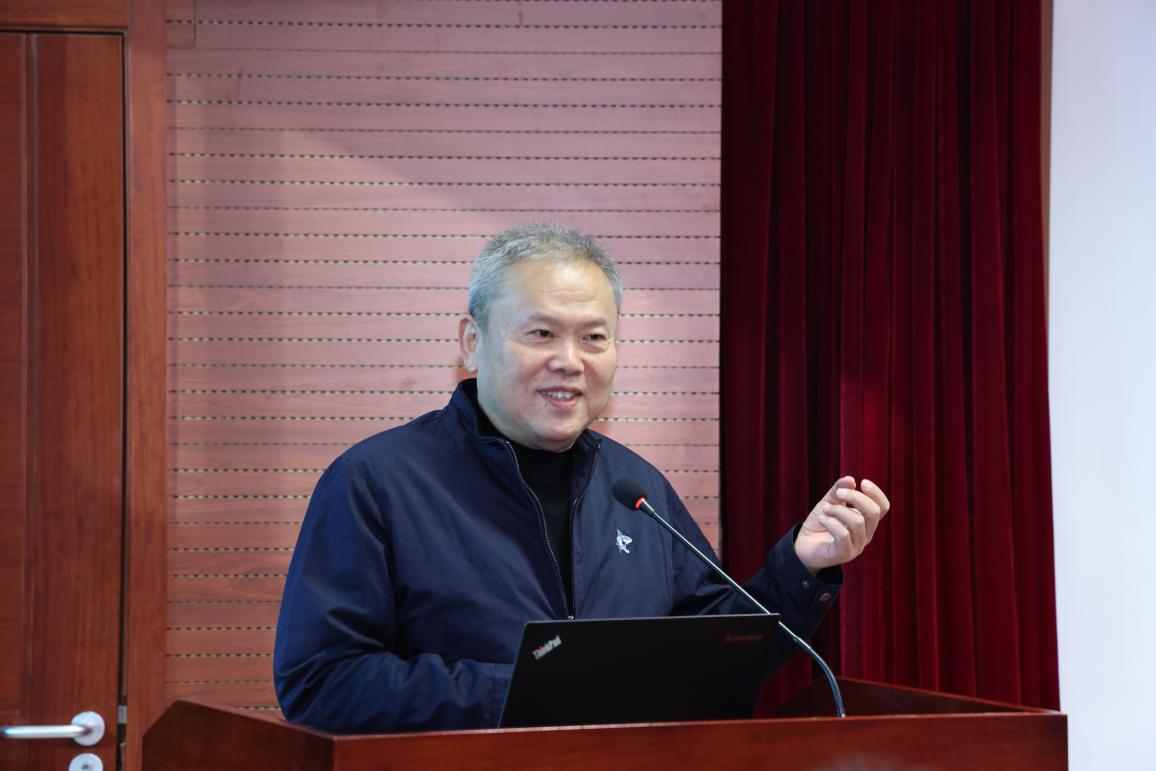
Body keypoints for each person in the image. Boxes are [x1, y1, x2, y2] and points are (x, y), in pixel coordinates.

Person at [273, 223, 890, 733]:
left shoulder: (636, 488)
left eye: (594, 337)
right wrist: (531, 691)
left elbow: (712, 653)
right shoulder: (376, 481)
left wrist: (800, 567)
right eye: (541, 333)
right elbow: (321, 682)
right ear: (472, 341)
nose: (569, 361)